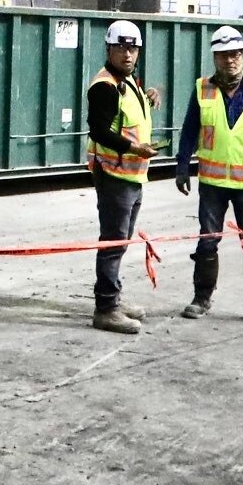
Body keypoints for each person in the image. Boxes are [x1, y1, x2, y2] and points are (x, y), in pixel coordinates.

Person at [175, 25, 243, 327]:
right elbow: (189, 130)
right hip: (212, 184)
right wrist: (182, 165)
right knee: (207, 243)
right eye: (223, 56)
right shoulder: (202, 89)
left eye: (235, 54)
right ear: (215, 58)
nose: (230, 61)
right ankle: (201, 298)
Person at [83, 19, 158, 333]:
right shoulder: (106, 86)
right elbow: (99, 131)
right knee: (113, 242)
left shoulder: (129, 82)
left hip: (131, 176)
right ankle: (106, 308)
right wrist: (134, 148)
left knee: (121, 240)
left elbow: (129, 114)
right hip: (116, 175)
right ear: (109, 49)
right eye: (121, 48)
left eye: (133, 48)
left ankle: (113, 295)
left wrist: (148, 95)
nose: (128, 54)